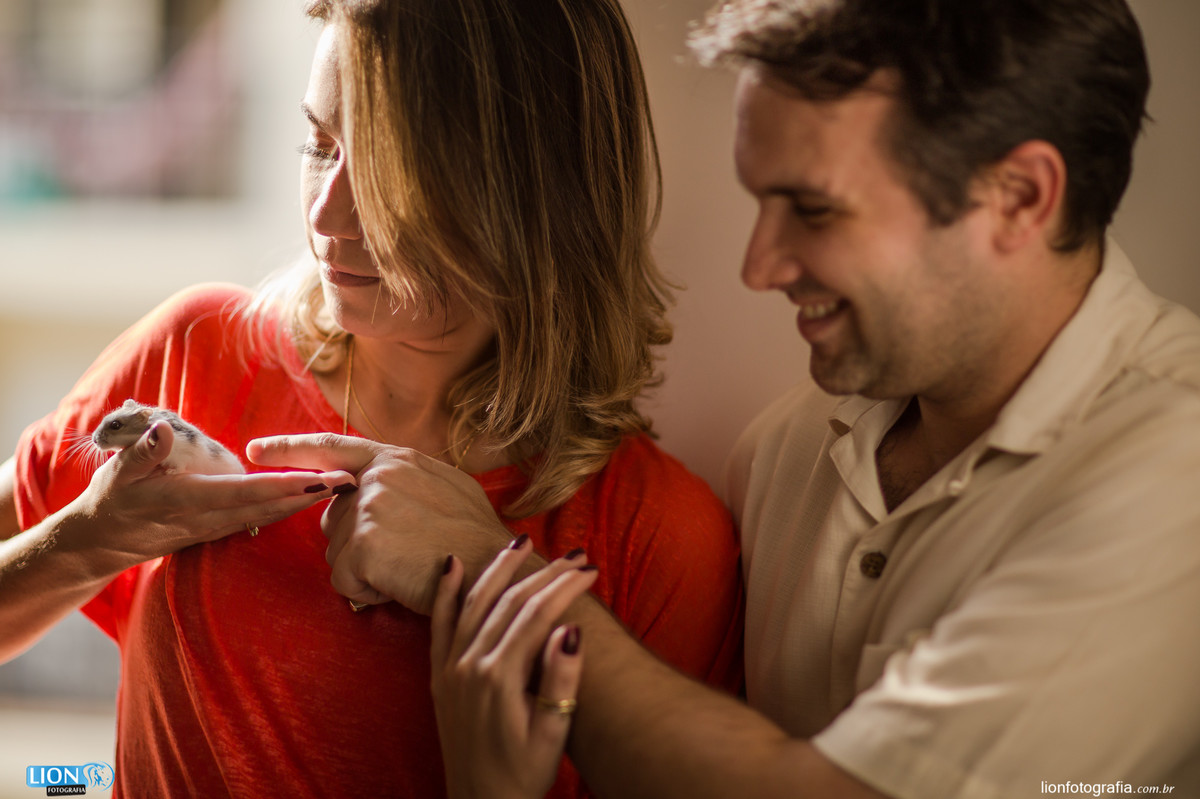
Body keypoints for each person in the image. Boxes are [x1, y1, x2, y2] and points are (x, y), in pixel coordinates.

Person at [252, 0, 1200, 796]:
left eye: (816, 209)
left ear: (1023, 196)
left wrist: (489, 573)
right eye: (760, 202)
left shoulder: (1176, 465)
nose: (760, 266)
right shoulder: (785, 456)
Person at [0, 0, 744, 796]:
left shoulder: (654, 537)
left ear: (535, 193)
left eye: (393, 175)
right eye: (318, 144)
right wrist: (85, 541)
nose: (326, 216)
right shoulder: (195, 353)